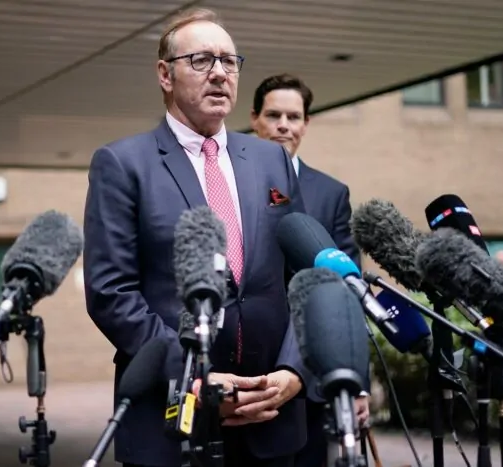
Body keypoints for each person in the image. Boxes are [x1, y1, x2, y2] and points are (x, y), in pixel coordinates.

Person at [83, 7, 311, 467]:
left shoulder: (271, 161)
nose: (220, 73)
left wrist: (294, 370)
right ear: (165, 75)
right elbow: (111, 293)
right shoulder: (123, 164)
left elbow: (305, 276)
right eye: (202, 60)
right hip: (170, 420)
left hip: (271, 417)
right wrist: (194, 378)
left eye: (229, 61)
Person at [251, 73, 369, 467]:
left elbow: (348, 285)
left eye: (294, 117)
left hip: (314, 370)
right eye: (274, 115)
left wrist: (359, 383)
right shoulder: (230, 183)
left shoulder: (331, 193)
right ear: (254, 119)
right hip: (249, 372)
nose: (284, 125)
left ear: (306, 123)